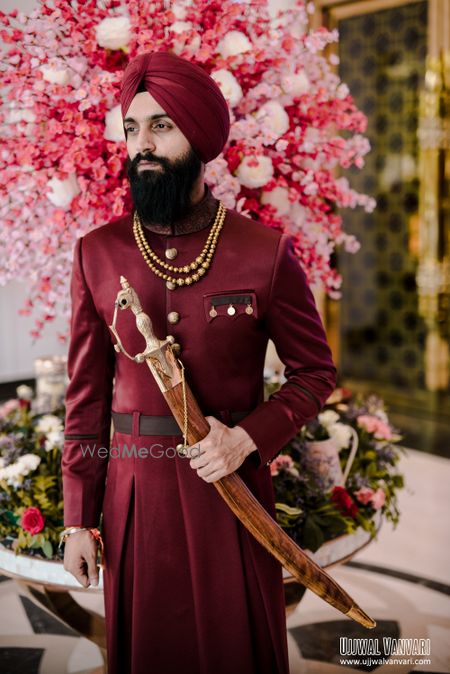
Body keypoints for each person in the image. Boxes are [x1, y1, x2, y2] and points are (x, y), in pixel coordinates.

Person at [61, 50, 337, 674]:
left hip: (234, 493)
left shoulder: (263, 253)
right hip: (135, 499)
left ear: (201, 136)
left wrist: (247, 440)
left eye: (162, 125)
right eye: (133, 127)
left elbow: (315, 373)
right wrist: (79, 519)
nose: (143, 144)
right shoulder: (96, 254)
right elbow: (86, 397)